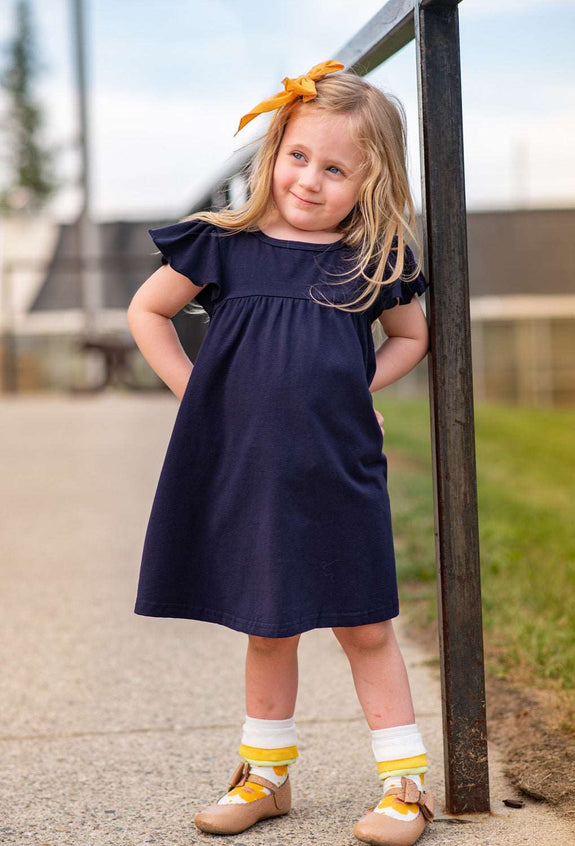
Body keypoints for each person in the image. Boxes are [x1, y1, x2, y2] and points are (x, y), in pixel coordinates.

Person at [127, 60, 433, 846]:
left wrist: (360, 384)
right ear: (274, 154)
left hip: (338, 469)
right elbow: (148, 313)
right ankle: (266, 775)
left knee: (366, 625)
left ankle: (405, 787)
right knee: (269, 627)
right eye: (299, 156)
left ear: (369, 180)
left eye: (335, 168)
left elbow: (412, 336)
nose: (310, 179)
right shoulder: (224, 246)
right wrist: (196, 393)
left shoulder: (368, 260)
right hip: (251, 471)